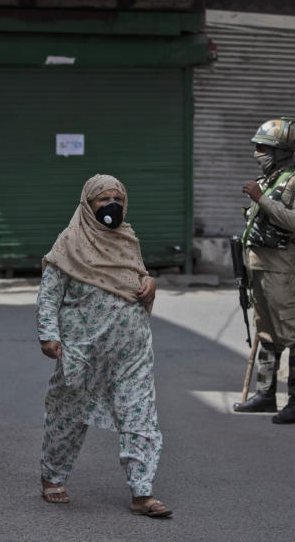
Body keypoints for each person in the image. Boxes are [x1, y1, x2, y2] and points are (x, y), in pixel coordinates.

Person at [36, 174, 172, 518]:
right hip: (82, 350)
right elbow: (49, 294)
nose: (112, 205)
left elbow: (136, 276)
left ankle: (142, 492)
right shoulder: (70, 243)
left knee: (139, 414)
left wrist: (149, 283)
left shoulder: (127, 239)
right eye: (103, 199)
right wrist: (48, 333)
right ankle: (52, 475)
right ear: (87, 204)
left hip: (131, 349)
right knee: (68, 415)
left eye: (118, 199)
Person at [232, 118, 295, 424]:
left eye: (263, 148)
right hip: (258, 267)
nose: (257, 153)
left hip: (283, 272)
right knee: (266, 333)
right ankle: (265, 395)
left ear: (281, 151)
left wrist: (260, 198)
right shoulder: (270, 180)